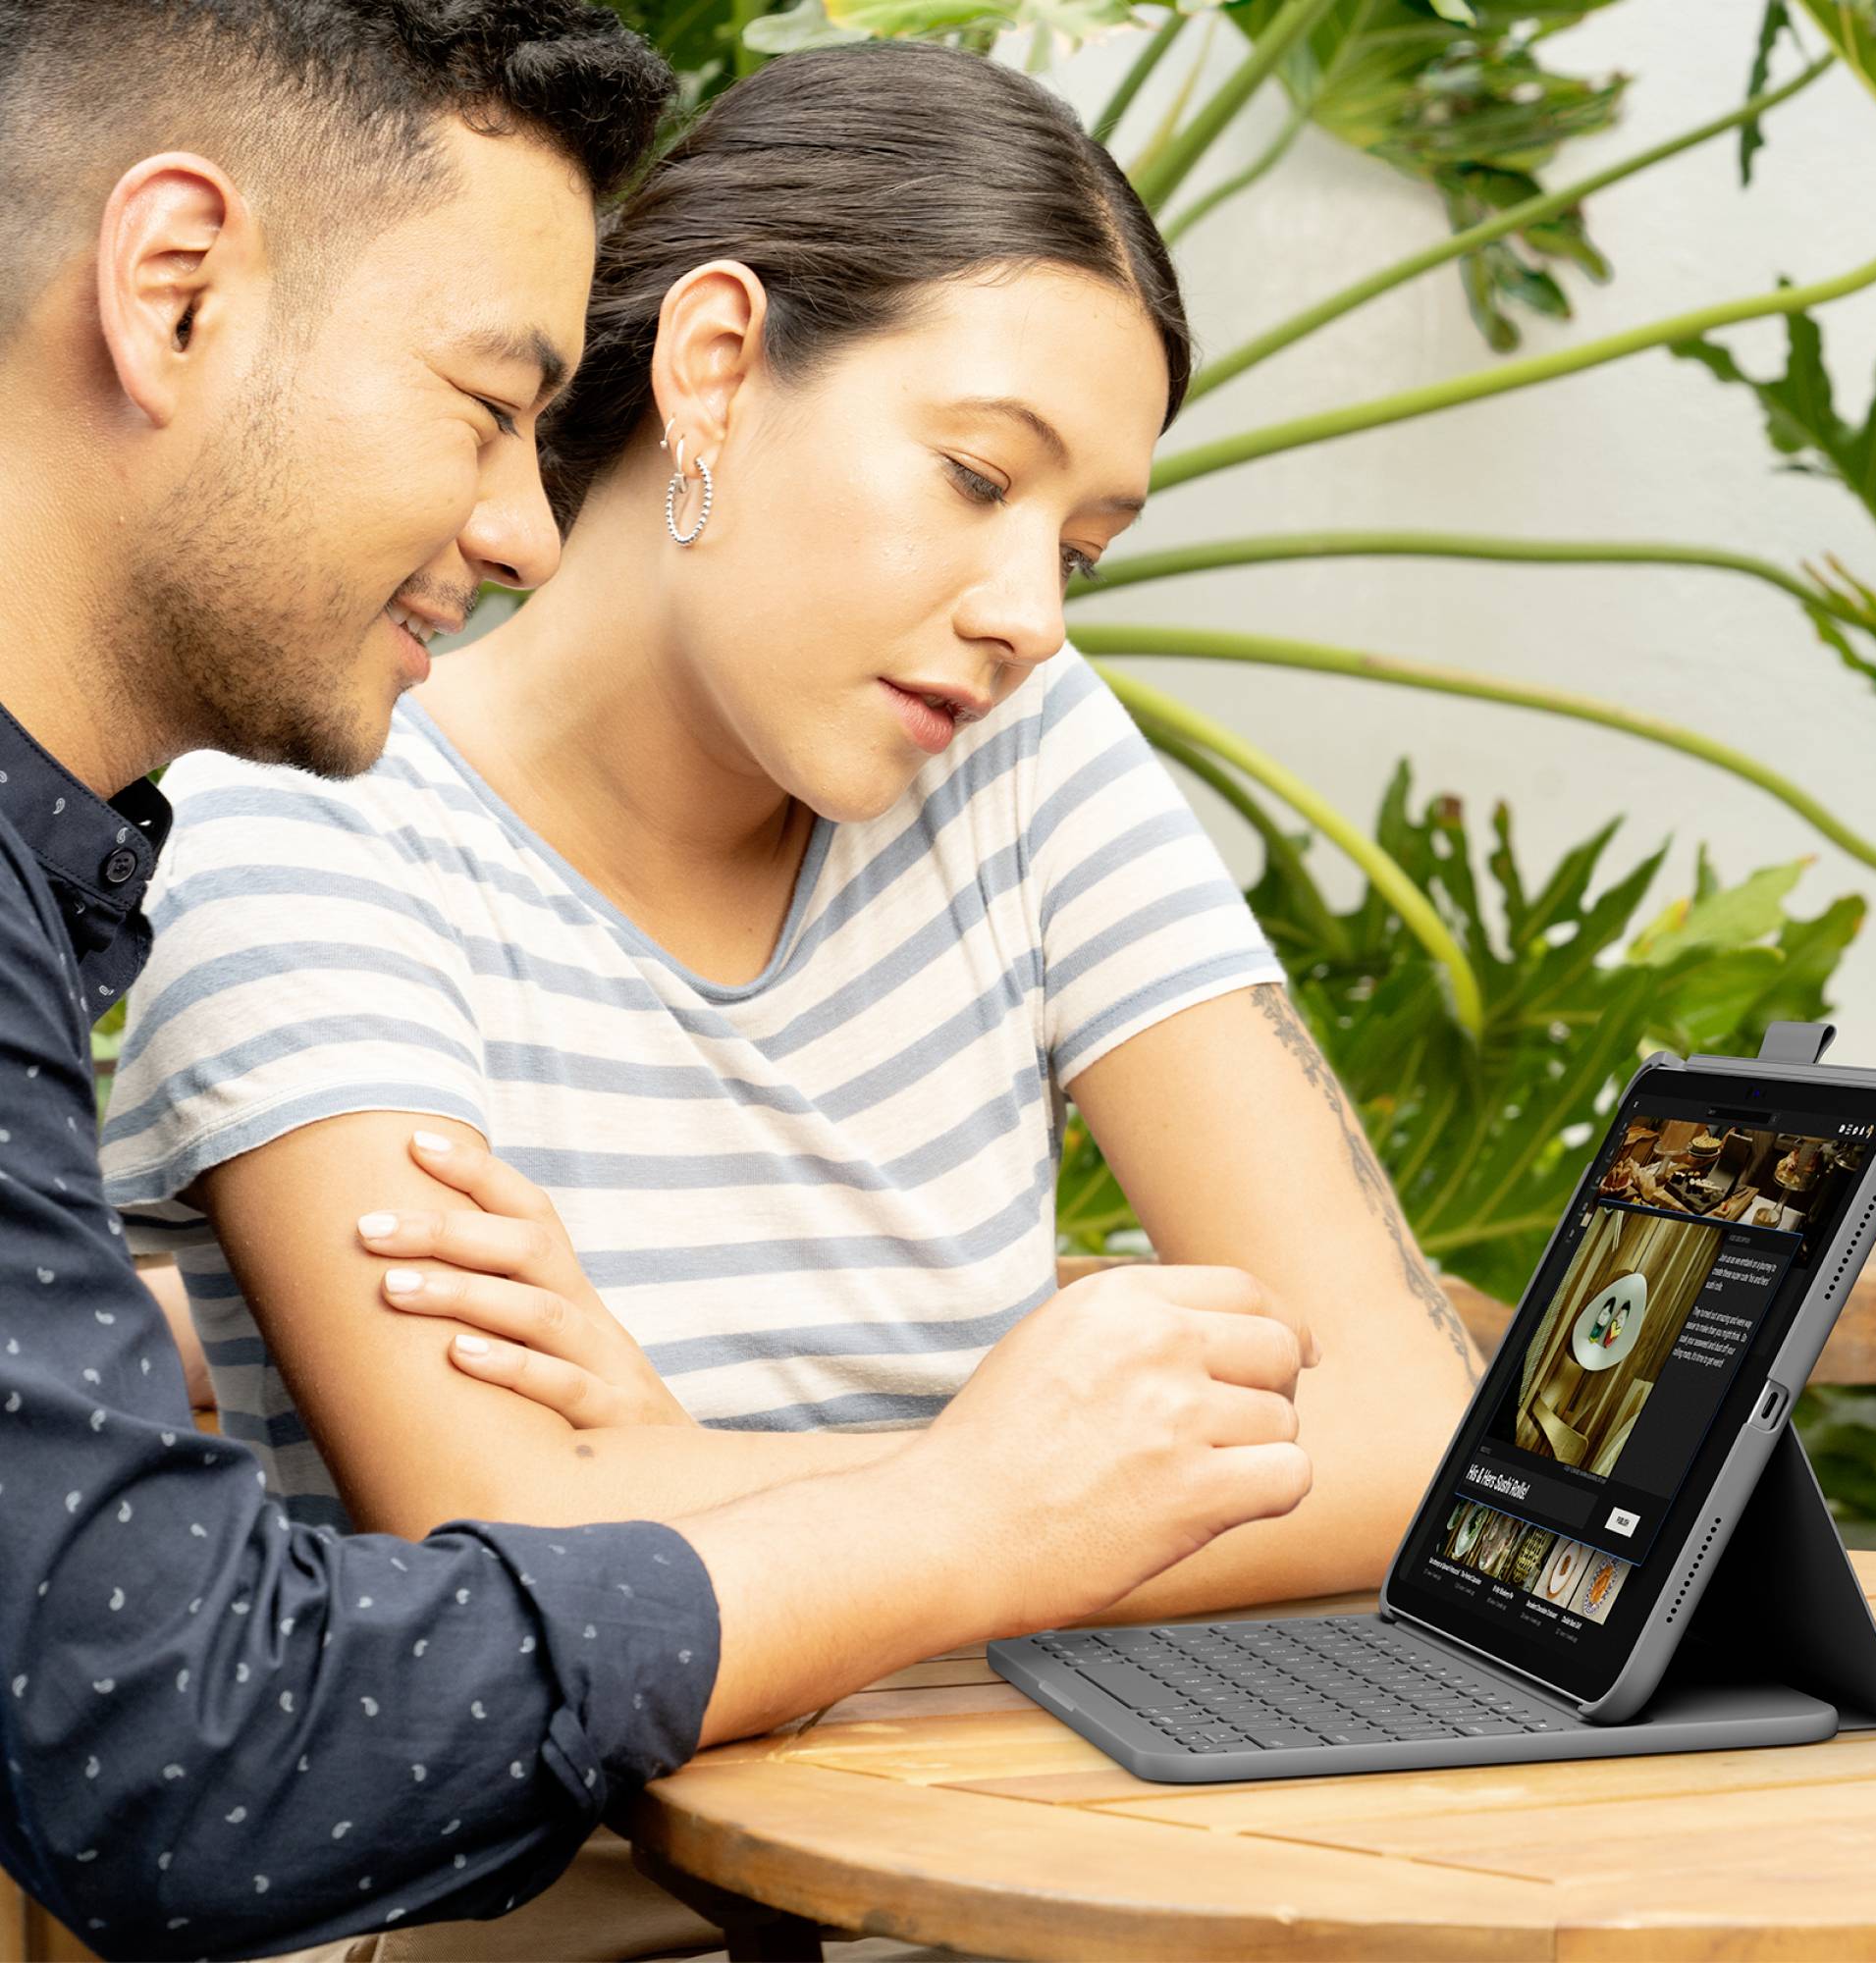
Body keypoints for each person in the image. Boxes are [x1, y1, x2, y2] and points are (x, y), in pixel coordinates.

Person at [97, 46, 1477, 1957]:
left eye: (1077, 547)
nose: (1029, 611)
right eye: (977, 476)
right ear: (716, 368)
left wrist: (701, 1470)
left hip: (991, 1897)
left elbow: (1411, 1433)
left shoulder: (1023, 761)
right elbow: (502, 1536)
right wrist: (1004, 1483)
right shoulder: (305, 832)